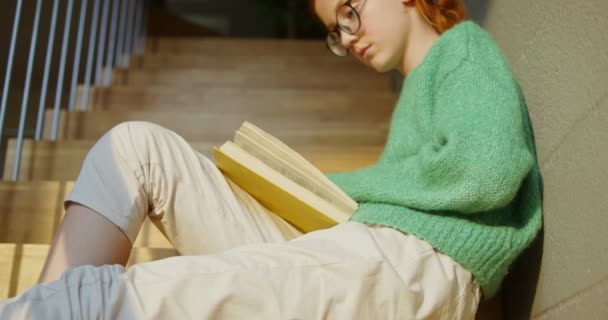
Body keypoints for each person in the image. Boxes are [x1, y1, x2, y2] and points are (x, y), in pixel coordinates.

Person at [0, 0, 543, 318]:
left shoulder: (464, 49)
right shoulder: (416, 84)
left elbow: (490, 170)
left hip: (413, 263)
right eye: (336, 29)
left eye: (349, 13)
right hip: (360, 245)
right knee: (134, 149)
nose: (346, 37)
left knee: (152, 296)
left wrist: (350, 190)